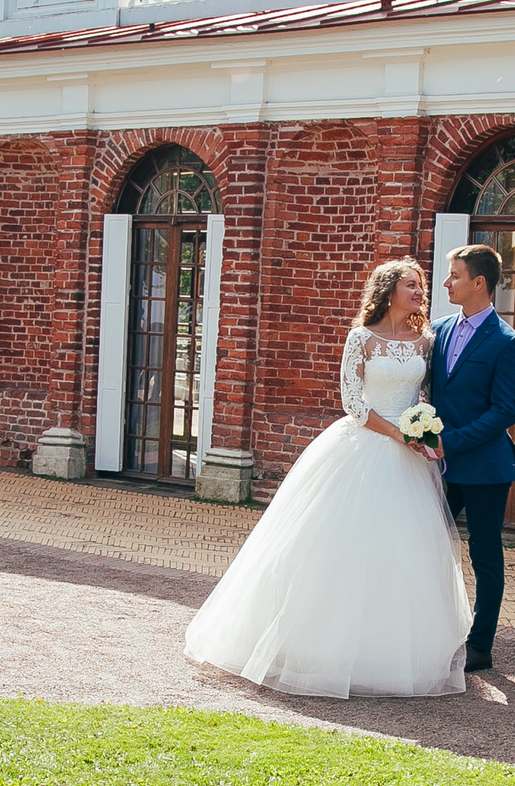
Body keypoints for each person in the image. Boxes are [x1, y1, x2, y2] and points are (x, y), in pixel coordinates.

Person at [182, 259, 471, 698]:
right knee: (339, 546)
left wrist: (422, 430)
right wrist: (398, 433)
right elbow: (353, 401)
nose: (419, 291)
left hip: (410, 460)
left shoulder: (426, 341)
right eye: (410, 284)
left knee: (401, 551)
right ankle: (316, 649)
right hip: (363, 447)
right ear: (389, 290)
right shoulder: (361, 338)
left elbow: (426, 396)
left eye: (420, 285)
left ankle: (388, 654)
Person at [426, 245, 515, 673]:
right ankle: (425, 632)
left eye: (454, 276)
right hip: (437, 466)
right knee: (421, 544)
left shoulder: (508, 342)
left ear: (479, 283)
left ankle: (480, 645)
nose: (447, 283)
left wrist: (452, 440)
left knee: (485, 555)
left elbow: (505, 411)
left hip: (486, 468)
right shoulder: (439, 330)